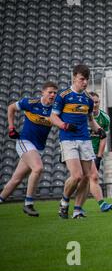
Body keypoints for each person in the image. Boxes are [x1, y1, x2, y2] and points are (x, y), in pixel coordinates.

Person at [51, 65, 106, 219]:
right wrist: (64, 125)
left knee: (88, 176)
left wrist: (98, 129)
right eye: (82, 79)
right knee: (76, 176)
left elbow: (90, 120)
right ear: (74, 77)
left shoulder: (88, 99)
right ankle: (64, 201)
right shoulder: (63, 95)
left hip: (85, 140)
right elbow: (53, 117)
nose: (85, 82)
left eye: (87, 79)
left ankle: (77, 211)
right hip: (68, 139)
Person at [0, 82, 58, 216]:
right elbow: (11, 108)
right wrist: (11, 128)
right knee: (38, 168)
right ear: (42, 92)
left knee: (16, 179)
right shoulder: (30, 103)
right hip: (24, 141)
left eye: (55, 93)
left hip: (38, 148)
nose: (52, 95)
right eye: (50, 92)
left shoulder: (55, 110)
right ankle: (28, 204)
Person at [79, 91, 112, 212]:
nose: (94, 104)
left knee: (89, 179)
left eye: (97, 102)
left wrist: (99, 157)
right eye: (92, 102)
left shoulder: (104, 118)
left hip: (93, 153)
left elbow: (103, 138)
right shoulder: (81, 116)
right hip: (80, 150)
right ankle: (69, 203)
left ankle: (79, 206)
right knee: (86, 178)